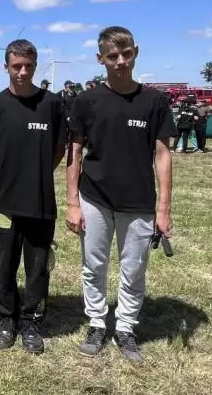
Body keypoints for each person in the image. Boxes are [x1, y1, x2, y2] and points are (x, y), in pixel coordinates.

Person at [66, 26, 175, 363]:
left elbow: (162, 155)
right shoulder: (86, 101)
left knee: (134, 268)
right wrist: (71, 202)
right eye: (112, 56)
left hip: (139, 199)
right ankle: (97, 323)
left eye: (126, 54)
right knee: (93, 265)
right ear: (100, 59)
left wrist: (164, 208)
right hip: (94, 196)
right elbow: (74, 153)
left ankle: (126, 327)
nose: (120, 61)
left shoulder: (155, 101)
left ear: (136, 52)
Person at [0, 40, 66, 355]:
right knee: (5, 264)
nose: (22, 72)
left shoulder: (52, 103)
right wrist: (13, 173)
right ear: (5, 66)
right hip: (4, 200)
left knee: (38, 265)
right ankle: (6, 318)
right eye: (16, 66)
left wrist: (38, 173)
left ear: (35, 66)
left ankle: (31, 320)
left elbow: (59, 149)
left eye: (28, 66)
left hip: (41, 200)